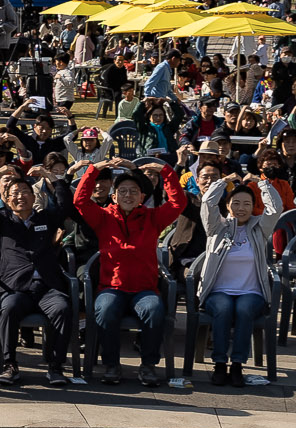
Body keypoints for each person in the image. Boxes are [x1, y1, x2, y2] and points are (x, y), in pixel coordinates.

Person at [73, 159, 188, 387]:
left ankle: (148, 365)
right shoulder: (104, 217)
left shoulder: (153, 218)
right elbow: (80, 201)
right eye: (122, 191)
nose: (128, 195)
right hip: (111, 288)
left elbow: (178, 202)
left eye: (133, 191)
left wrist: (166, 171)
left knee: (155, 310)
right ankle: (112, 365)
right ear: (114, 196)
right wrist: (93, 170)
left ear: (142, 197)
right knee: (104, 311)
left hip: (144, 289)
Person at [0, 166, 74, 388]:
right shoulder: (2, 221)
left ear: (34, 196)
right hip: (16, 287)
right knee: (8, 309)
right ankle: (10, 365)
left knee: (63, 308)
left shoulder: (46, 219)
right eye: (15, 194)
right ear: (7, 200)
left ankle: (56, 367)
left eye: (25, 192)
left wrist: (50, 177)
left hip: (47, 286)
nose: (20, 197)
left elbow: (65, 204)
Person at [195, 177, 274, 386]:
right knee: (223, 307)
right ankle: (219, 364)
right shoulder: (216, 227)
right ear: (228, 205)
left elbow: (275, 209)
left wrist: (262, 184)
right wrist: (223, 181)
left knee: (244, 309)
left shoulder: (259, 228)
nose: (241, 208)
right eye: (236, 203)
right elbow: (207, 202)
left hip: (251, 292)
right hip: (218, 291)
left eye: (247, 204)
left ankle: (238, 364)